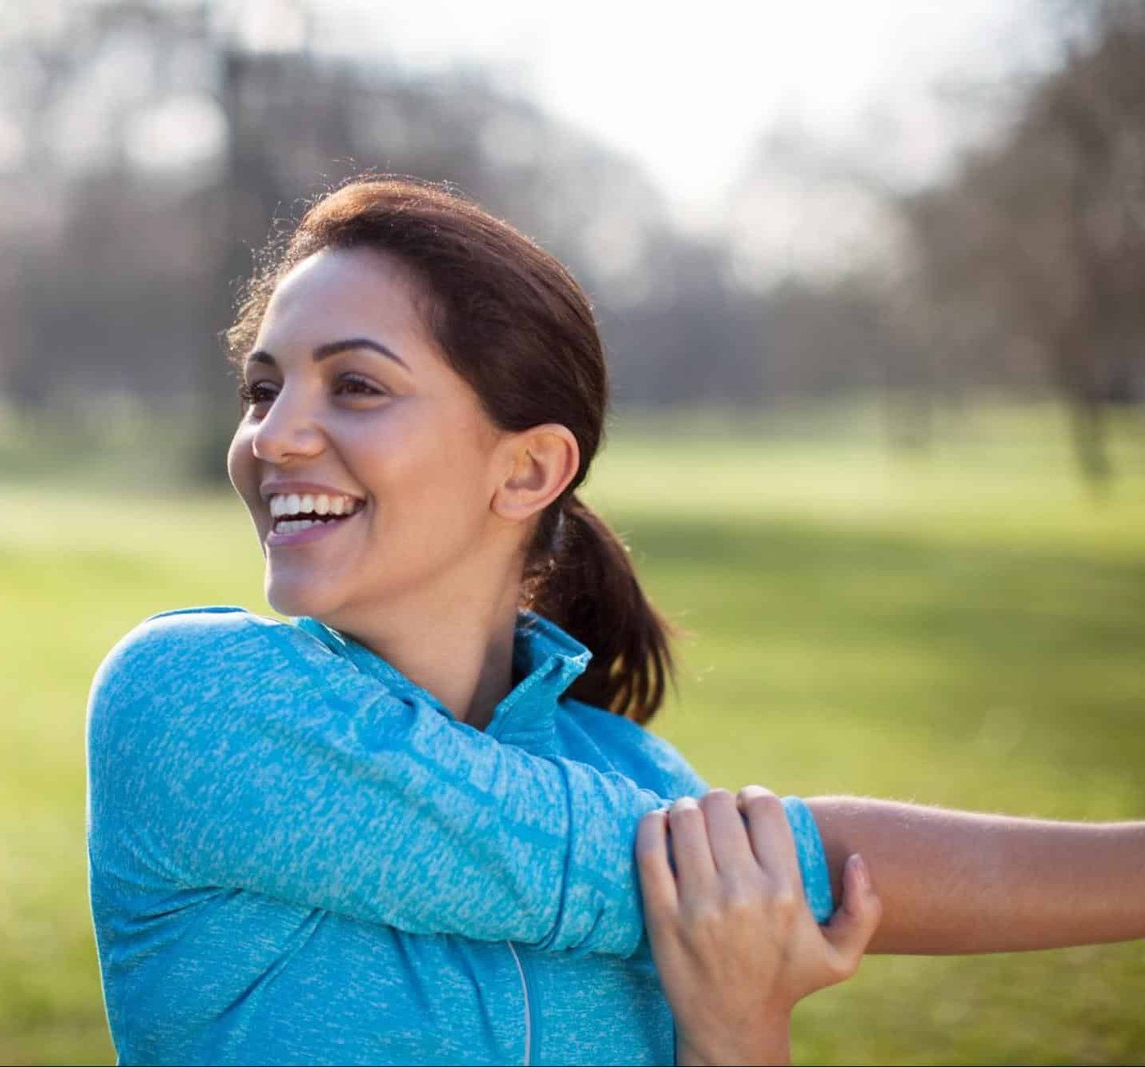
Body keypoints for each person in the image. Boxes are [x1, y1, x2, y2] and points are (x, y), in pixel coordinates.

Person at [85, 176, 1145, 1066]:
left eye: (354, 384)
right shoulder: (189, 699)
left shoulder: (643, 776)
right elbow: (798, 867)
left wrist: (739, 1030)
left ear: (529, 467)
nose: (274, 434)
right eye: (261, 388)